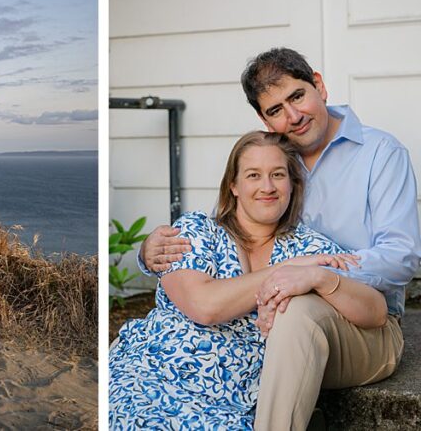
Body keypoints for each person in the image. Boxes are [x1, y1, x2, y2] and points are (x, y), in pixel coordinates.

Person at [139, 47, 420, 429]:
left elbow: (402, 257)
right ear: (263, 118)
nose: (293, 116)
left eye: (298, 96)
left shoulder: (381, 154)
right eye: (275, 110)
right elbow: (228, 226)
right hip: (273, 322)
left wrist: (319, 275)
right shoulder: (275, 159)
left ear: (318, 85)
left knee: (297, 310)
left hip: (365, 324)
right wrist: (151, 252)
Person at [110, 131, 386, 429]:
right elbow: (205, 306)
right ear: (234, 185)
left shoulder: (310, 248)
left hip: (231, 402)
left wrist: (319, 278)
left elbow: (375, 311)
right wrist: (287, 270)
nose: (267, 187)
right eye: (253, 175)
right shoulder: (197, 231)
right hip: (150, 377)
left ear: (293, 185)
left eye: (278, 175)